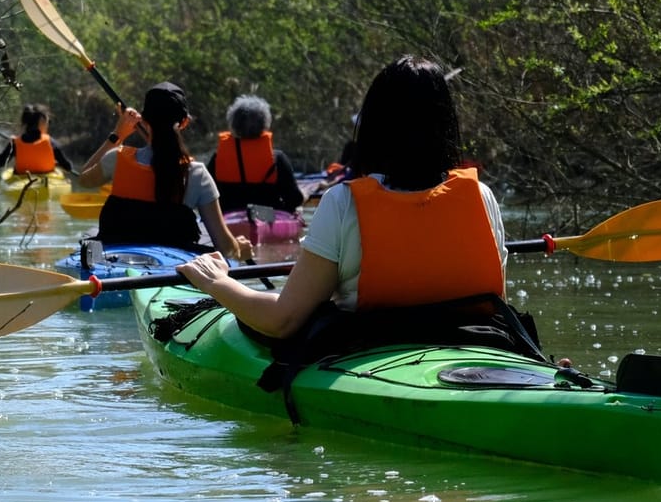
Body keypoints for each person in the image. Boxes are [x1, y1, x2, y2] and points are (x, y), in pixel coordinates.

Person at [178, 56, 508, 338]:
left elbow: (283, 321)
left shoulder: (341, 202)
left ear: (375, 125)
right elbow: (498, 306)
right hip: (481, 348)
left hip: (373, 352)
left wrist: (217, 282)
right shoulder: (482, 197)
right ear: (447, 124)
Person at [77, 81, 247, 259]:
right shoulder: (196, 174)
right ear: (185, 122)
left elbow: (83, 179)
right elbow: (225, 248)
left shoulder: (116, 159)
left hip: (115, 260)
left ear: (144, 120)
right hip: (172, 267)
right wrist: (239, 249)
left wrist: (117, 135)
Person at [209, 94, 307, 214]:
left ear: (233, 124)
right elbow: (294, 200)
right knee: (298, 209)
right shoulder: (277, 159)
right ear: (265, 124)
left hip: (228, 216)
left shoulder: (217, 158)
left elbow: (206, 197)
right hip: (266, 216)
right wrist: (304, 195)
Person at [0, 102, 74, 177]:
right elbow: (68, 167)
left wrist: (11, 145)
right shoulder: (51, 142)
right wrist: (56, 164)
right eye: (47, 122)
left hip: (22, 181)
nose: (48, 125)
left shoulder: (15, 143)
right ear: (41, 122)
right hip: (45, 182)